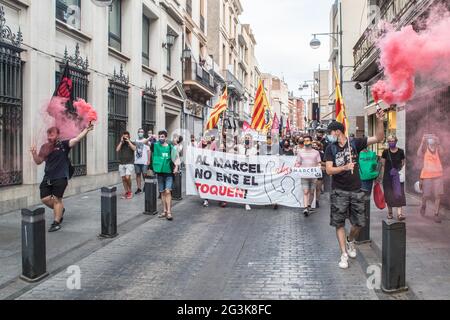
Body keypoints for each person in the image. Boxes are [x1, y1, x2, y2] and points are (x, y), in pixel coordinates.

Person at [325, 108, 385, 270]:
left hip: (356, 189)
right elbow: (329, 170)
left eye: (330, 132)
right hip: (338, 190)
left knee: (359, 223)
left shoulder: (355, 143)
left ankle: (351, 241)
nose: (329, 136)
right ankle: (343, 253)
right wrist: (345, 167)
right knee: (339, 223)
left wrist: (380, 120)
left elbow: (379, 138)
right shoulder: (330, 148)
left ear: (337, 131)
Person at [30, 124, 94, 232]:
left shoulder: (64, 145)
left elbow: (77, 139)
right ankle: (60, 210)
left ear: (58, 135)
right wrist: (34, 154)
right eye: (48, 135)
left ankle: (56, 222)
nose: (49, 137)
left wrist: (86, 130)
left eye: (52, 134)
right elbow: (38, 161)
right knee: (45, 199)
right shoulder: (45, 147)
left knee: (57, 199)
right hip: (47, 177)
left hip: (61, 176)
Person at [150, 130, 179, 221]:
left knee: (167, 191)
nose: (161, 138)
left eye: (162, 136)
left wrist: (176, 167)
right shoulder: (155, 146)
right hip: (160, 173)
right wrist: (150, 137)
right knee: (162, 192)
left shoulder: (170, 147)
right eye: (159, 136)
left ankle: (169, 212)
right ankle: (164, 211)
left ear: (166, 138)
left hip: (169, 173)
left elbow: (176, 157)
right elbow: (144, 144)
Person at [417, 134, 444, 223]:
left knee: (438, 195)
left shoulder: (438, 148)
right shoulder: (425, 148)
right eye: (430, 138)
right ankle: (423, 205)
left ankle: (436, 214)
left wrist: (439, 143)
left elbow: (443, 154)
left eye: (433, 138)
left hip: (438, 175)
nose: (432, 140)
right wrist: (422, 142)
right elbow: (418, 154)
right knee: (426, 195)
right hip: (427, 175)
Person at [378, 135, 406, 221]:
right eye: (389, 141)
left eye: (393, 141)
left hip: (397, 176)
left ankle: (399, 214)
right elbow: (382, 165)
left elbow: (403, 163)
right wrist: (381, 178)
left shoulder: (401, 151)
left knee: (399, 194)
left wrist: (401, 173)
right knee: (389, 194)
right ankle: (390, 213)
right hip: (387, 176)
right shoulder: (385, 152)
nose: (391, 142)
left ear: (396, 141)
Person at [295, 136, 322, 217]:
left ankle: (309, 205)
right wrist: (296, 166)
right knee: (306, 191)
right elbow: (298, 162)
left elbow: (319, 162)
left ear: (311, 141)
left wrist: (319, 166)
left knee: (312, 191)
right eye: (305, 141)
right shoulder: (300, 152)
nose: (306, 142)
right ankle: (305, 207)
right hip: (304, 174)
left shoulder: (316, 152)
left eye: (307, 140)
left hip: (313, 175)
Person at [238, 135, 258, 211]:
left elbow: (255, 160)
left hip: (249, 170)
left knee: (247, 187)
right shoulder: (240, 148)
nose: (247, 140)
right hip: (241, 169)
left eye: (248, 138)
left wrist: (249, 157)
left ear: (251, 140)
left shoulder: (254, 149)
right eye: (246, 138)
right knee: (241, 186)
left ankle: (246, 202)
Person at [116, 131, 137, 200]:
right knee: (123, 179)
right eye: (124, 137)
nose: (125, 138)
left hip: (129, 163)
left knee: (127, 177)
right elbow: (117, 150)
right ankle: (126, 192)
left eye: (127, 137)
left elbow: (134, 149)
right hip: (121, 163)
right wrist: (121, 142)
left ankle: (130, 191)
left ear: (129, 136)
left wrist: (129, 142)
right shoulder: (121, 143)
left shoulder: (131, 142)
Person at [134, 128, 151, 195]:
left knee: (144, 174)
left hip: (144, 161)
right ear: (137, 133)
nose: (140, 133)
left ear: (143, 133)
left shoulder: (146, 141)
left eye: (142, 132)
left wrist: (149, 160)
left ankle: (146, 185)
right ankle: (139, 188)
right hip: (137, 161)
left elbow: (149, 151)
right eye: (139, 132)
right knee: (138, 174)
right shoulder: (136, 140)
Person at [313, 141, 326, 208]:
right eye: (313, 145)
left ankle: (317, 201)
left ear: (319, 147)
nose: (315, 147)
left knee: (318, 188)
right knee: (311, 188)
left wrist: (320, 163)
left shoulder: (322, 154)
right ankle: (311, 201)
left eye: (316, 146)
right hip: (310, 173)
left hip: (319, 172)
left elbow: (326, 163)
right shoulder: (309, 153)